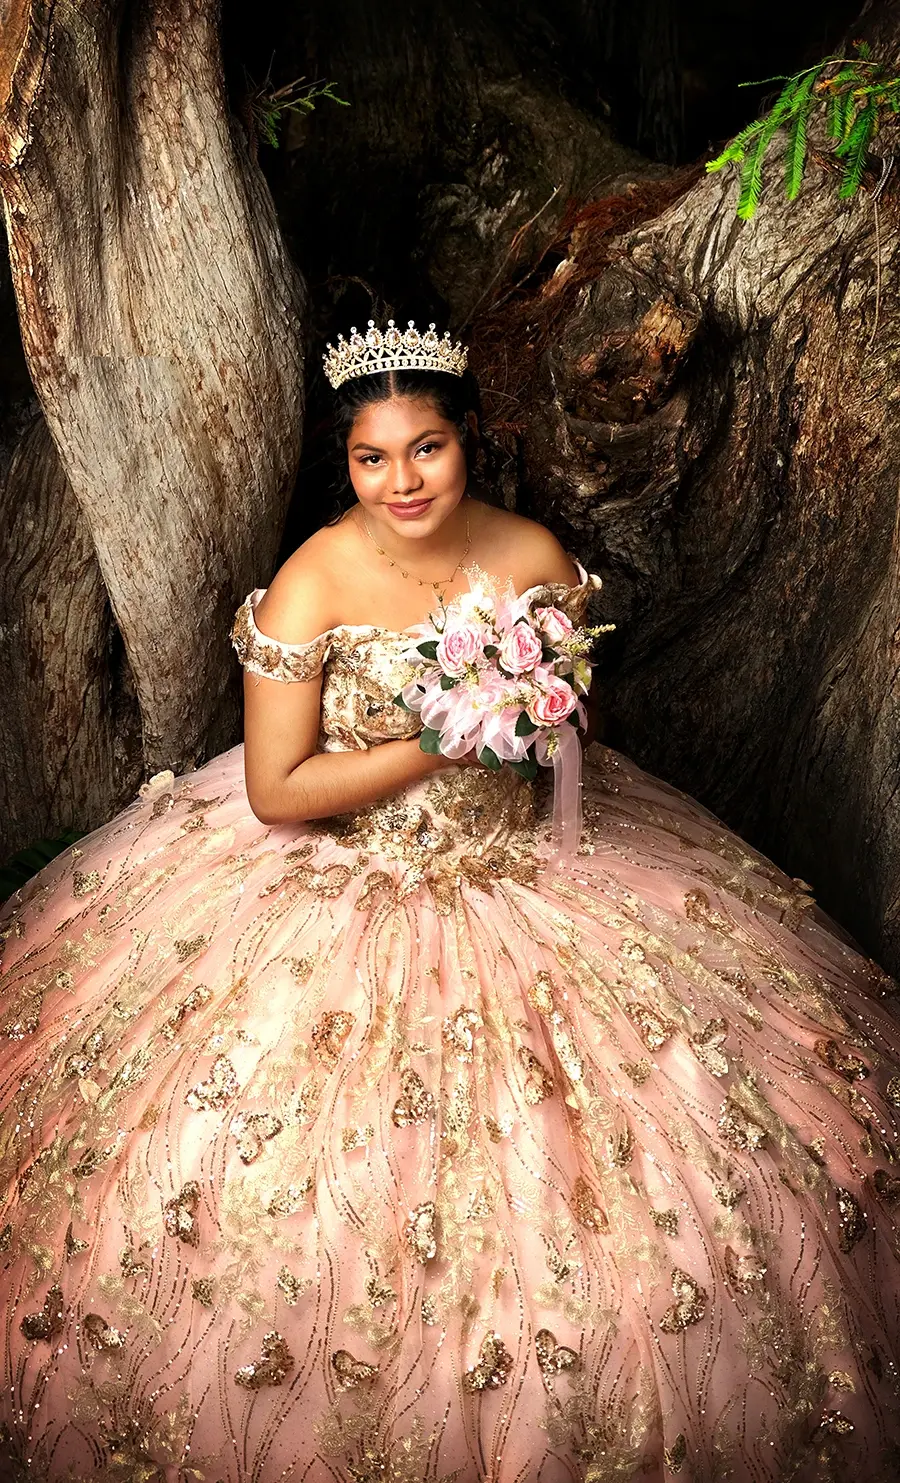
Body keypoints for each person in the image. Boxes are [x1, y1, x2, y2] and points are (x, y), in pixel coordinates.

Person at [1, 318, 899, 1483]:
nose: (403, 481)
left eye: (426, 448)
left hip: (521, 861)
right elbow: (278, 790)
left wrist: (531, 720)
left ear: (468, 437)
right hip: (342, 869)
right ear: (347, 463)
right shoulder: (314, 579)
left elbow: (572, 734)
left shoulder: (530, 555)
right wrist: (437, 737)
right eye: (373, 458)